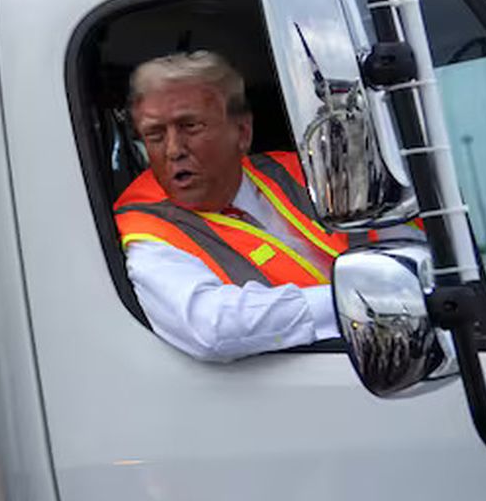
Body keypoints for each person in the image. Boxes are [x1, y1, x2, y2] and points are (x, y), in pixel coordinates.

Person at [113, 50, 394, 362]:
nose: (173, 150)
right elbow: (212, 327)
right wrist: (366, 301)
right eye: (154, 135)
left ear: (242, 133)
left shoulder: (304, 171)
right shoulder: (144, 227)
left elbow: (406, 240)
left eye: (190, 126)